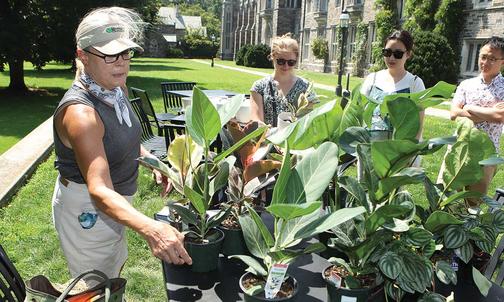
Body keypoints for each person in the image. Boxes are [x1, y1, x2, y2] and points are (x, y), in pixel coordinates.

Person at [51, 7, 191, 282]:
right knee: (93, 285)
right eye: (109, 55)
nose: (121, 63)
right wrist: (152, 229)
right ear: (83, 56)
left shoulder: (116, 90)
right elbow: (99, 189)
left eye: (126, 52)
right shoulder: (82, 114)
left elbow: (121, 137)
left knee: (112, 275)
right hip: (88, 211)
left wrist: (150, 160)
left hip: (116, 205)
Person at [448, 36, 504, 204]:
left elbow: (500, 117)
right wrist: (489, 113)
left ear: (502, 61)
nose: (485, 62)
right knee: (448, 200)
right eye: (483, 56)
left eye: (492, 59)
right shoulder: (466, 84)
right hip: (459, 149)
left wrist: (470, 108)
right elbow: (453, 113)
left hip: (486, 155)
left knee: (473, 204)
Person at [360, 30, 426, 141]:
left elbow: (418, 125)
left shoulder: (415, 83)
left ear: (408, 54)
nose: (391, 58)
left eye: (398, 54)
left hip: (400, 154)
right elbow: (360, 112)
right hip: (370, 150)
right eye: (387, 52)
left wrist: (408, 155)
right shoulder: (372, 79)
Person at [249, 33, 317, 127]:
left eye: (291, 62)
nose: (286, 66)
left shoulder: (306, 87)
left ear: (296, 60)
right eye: (281, 61)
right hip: (266, 139)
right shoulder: (259, 87)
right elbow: (256, 120)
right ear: (273, 57)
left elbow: (308, 123)